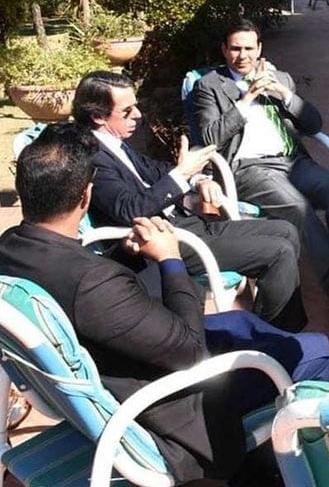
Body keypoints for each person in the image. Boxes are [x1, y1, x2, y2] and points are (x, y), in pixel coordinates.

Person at [0, 124, 329, 487]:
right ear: (85, 196)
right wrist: (169, 259)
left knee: (242, 324)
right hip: (170, 408)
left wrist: (127, 254)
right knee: (315, 350)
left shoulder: (13, 248)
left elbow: (81, 289)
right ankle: (256, 480)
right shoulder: (92, 283)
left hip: (119, 358)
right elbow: (192, 353)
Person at [74, 70, 308, 331]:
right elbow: (131, 209)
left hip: (184, 225)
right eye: (127, 112)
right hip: (162, 242)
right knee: (278, 253)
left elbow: (155, 169)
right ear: (97, 116)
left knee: (286, 230)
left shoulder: (114, 141)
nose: (138, 116)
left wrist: (197, 179)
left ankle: (274, 327)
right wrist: (182, 173)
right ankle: (278, 338)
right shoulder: (92, 156)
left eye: (136, 107)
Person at [191, 18, 329, 297]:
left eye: (249, 48)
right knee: (298, 207)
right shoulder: (209, 86)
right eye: (235, 48)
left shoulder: (280, 78)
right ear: (224, 50)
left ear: (259, 49)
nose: (242, 56)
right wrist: (246, 100)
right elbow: (211, 137)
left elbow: (314, 125)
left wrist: (283, 94)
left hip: (292, 162)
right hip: (248, 168)